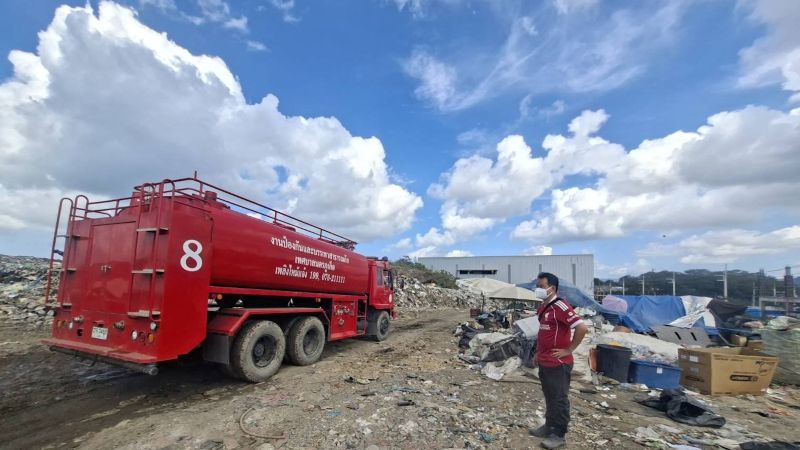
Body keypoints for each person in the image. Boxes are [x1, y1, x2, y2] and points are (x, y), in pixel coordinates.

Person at [529, 272, 588, 449]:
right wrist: (538, 353)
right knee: (549, 396)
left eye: (540, 286)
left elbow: (582, 328)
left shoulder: (560, 306)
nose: (537, 289)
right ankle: (548, 427)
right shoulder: (543, 307)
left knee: (559, 398)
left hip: (558, 363)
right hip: (545, 360)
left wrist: (569, 349)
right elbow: (543, 333)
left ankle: (559, 434)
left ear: (551, 288)